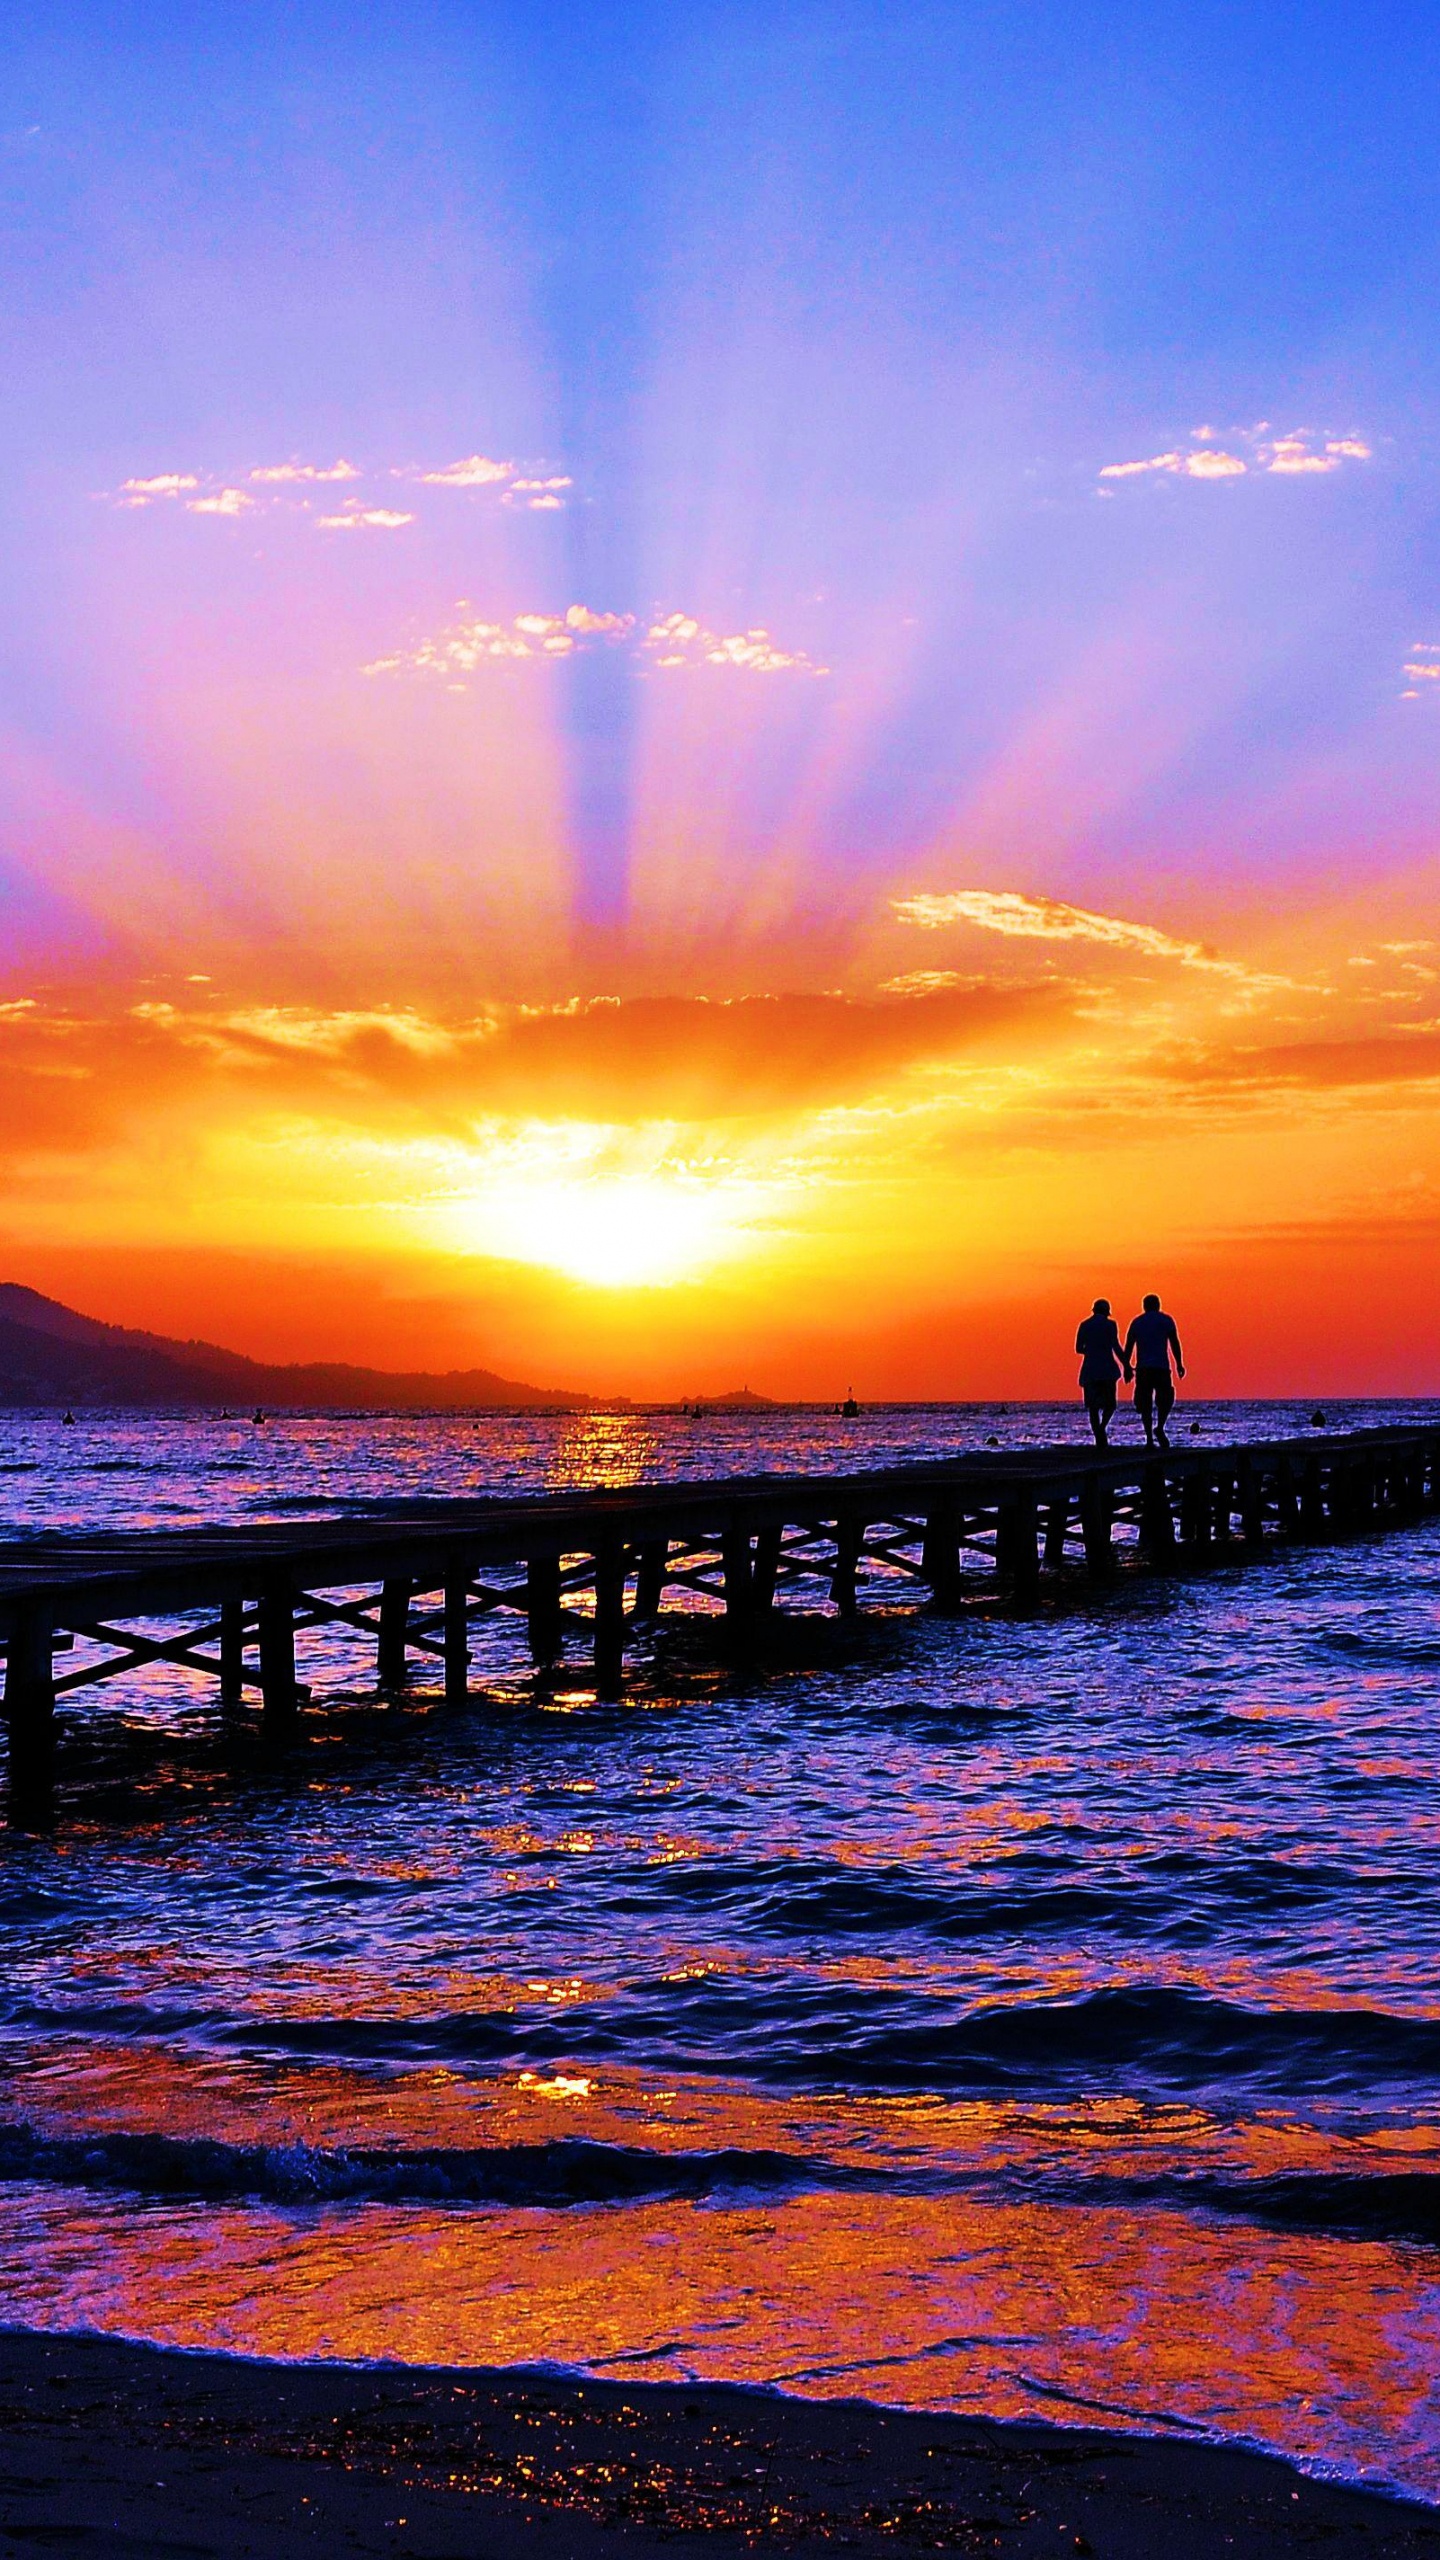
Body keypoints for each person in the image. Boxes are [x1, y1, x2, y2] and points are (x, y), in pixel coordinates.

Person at [1124, 1293, 1185, 1447]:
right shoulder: (1166, 1320)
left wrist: (1126, 1367)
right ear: (1158, 1305)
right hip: (1161, 1367)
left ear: (1144, 1306)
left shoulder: (1137, 1322)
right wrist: (1179, 1363)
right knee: (1166, 1399)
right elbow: (1174, 1343)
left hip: (1143, 1369)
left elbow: (1129, 1346)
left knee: (1145, 1405)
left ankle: (1150, 1438)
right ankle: (1160, 1427)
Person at [1075, 1298, 1126, 1445]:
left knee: (1093, 1406)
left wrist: (1091, 1351)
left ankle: (1098, 1433)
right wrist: (1126, 1364)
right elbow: (1116, 1346)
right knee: (1110, 1404)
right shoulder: (1111, 1325)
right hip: (1107, 1369)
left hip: (1090, 1369)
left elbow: (1078, 1348)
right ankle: (1102, 1428)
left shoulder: (1084, 1325)